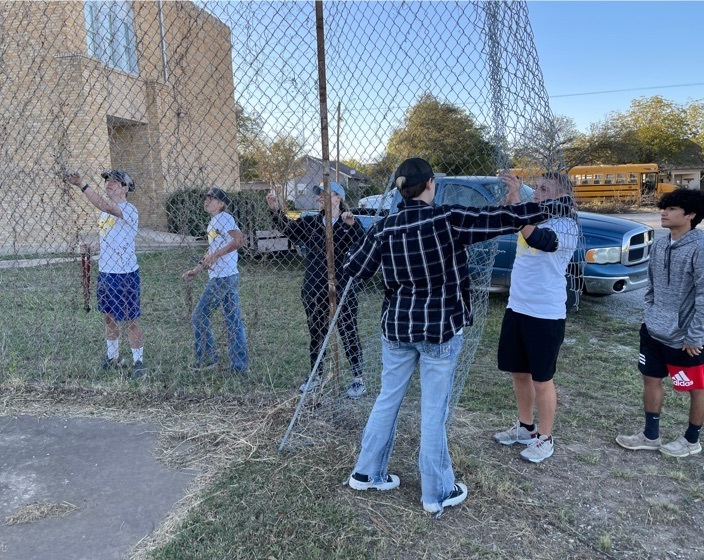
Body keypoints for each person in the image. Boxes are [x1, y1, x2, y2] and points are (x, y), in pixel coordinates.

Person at [343, 158, 572, 515]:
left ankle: (366, 472)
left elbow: (355, 268)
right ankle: (436, 493)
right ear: (431, 184)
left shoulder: (383, 228)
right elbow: (500, 220)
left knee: (387, 399)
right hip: (440, 329)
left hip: (397, 328)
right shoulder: (447, 218)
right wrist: (552, 205)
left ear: (401, 190)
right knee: (433, 410)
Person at [616, 188, 704, 458]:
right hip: (652, 330)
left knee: (696, 388)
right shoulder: (661, 243)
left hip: (685, 338)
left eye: (672, 209)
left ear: (691, 214)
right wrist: (648, 314)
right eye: (664, 207)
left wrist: (695, 335)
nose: (664, 212)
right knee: (650, 379)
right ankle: (650, 435)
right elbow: (652, 286)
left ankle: (691, 440)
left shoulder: (702, 249)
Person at [492, 172, 579, 463]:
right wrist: (511, 199)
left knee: (542, 379)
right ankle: (525, 428)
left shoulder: (566, 225)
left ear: (562, 196)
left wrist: (518, 201)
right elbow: (507, 216)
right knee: (519, 373)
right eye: (537, 187)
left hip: (545, 313)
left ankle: (545, 438)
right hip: (517, 307)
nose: (537, 193)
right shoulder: (533, 214)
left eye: (544, 189)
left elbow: (540, 240)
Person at [266, 181, 366, 398]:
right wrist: (275, 210)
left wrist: (353, 226)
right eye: (319, 194)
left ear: (338, 198)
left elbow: (364, 245)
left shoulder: (348, 221)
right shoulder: (311, 222)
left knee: (348, 330)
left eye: (326, 193)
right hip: (314, 286)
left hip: (342, 286)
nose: (320, 196)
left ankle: (358, 378)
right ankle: (316, 375)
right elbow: (289, 230)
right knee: (317, 332)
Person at [65, 169, 146, 379]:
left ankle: (139, 362)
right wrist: (92, 247)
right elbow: (110, 239)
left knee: (131, 320)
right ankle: (114, 358)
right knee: (109, 318)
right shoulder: (105, 214)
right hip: (106, 272)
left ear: (126, 188)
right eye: (108, 181)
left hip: (125, 274)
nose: (109, 184)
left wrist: (82, 184)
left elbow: (104, 205)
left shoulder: (129, 209)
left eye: (115, 182)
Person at [182, 188, 250, 373]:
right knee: (233, 321)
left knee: (199, 315)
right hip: (226, 276)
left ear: (221, 204)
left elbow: (239, 240)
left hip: (223, 277)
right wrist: (197, 269)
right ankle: (240, 366)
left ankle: (207, 359)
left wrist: (217, 255)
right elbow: (212, 251)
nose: (206, 201)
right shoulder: (214, 222)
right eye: (206, 198)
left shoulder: (224, 218)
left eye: (212, 199)